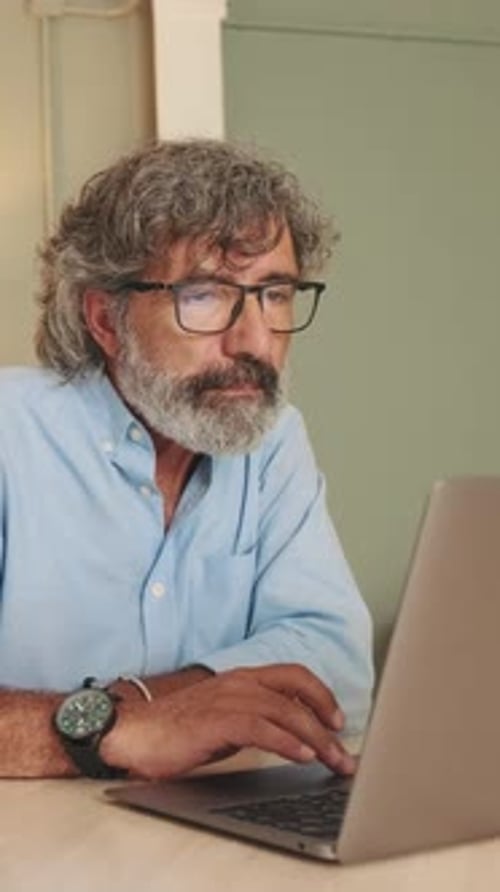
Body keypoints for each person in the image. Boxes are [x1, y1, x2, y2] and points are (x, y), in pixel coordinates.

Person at [0, 139, 373, 780]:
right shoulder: (11, 437)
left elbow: (336, 665)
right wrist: (115, 731)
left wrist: (190, 705)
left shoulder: (273, 438)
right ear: (105, 319)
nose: (254, 339)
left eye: (275, 294)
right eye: (203, 296)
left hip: (204, 833)